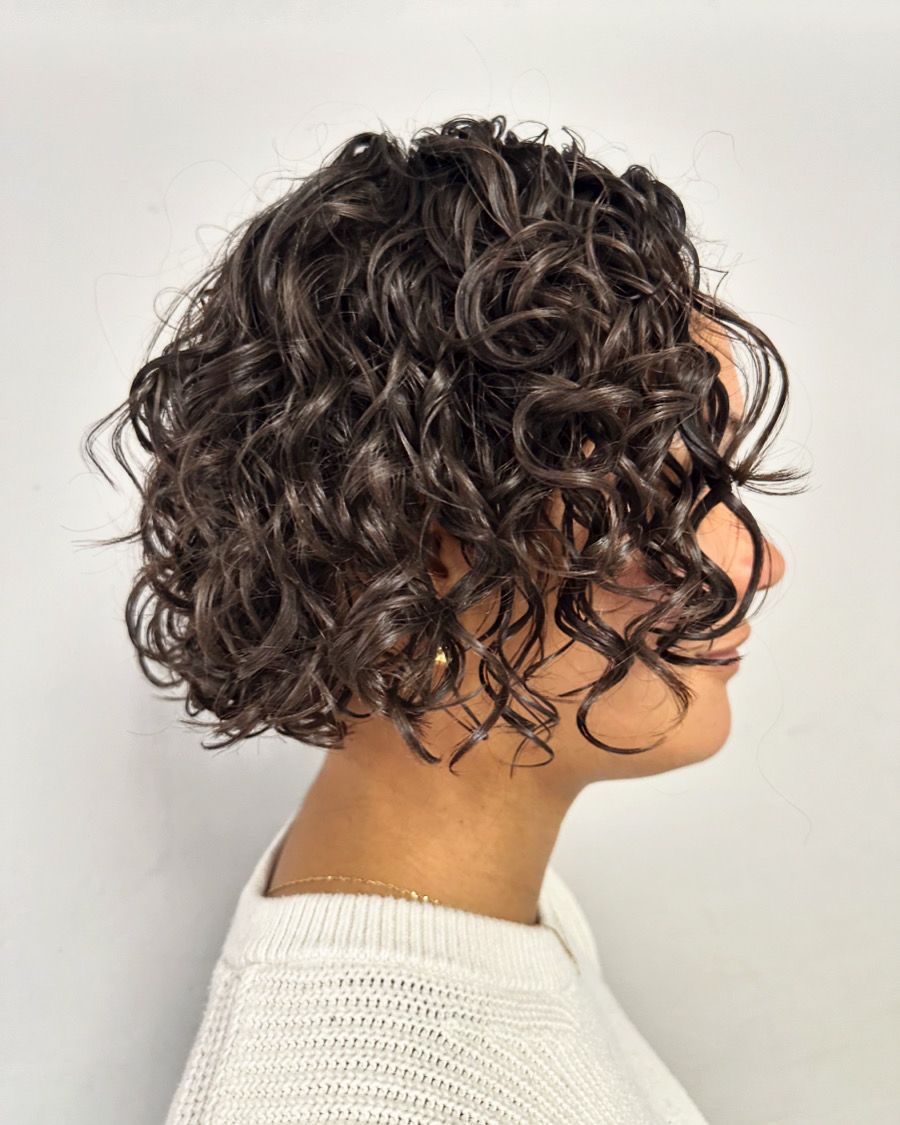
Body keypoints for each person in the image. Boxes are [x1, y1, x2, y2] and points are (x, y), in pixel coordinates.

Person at [83, 114, 803, 1124]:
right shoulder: (356, 1096)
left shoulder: (480, 928)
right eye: (664, 499)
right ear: (405, 555)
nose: (761, 564)